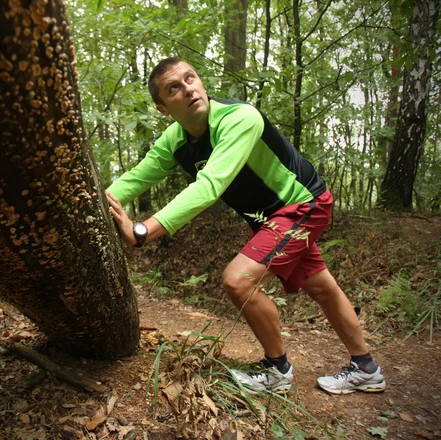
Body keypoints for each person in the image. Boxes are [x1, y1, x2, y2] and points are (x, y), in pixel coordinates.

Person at [105, 57, 386, 395]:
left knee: (238, 281)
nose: (188, 89)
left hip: (301, 205)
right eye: (173, 89)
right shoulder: (175, 141)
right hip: (269, 219)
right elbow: (137, 177)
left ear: (201, 81)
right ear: (163, 108)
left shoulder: (239, 118)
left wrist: (142, 231)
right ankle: (366, 368)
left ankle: (276, 370)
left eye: (190, 78)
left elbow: (210, 185)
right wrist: (93, 200)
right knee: (322, 287)